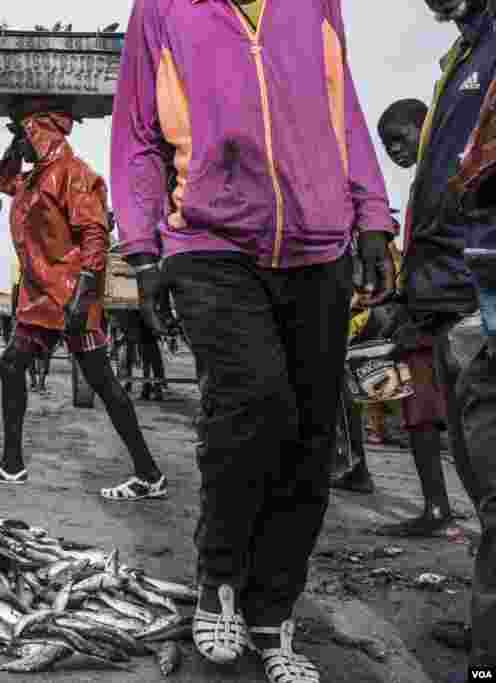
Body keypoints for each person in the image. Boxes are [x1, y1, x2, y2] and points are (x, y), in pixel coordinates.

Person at [111, 1, 394, 680]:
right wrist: (143, 249)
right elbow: (136, 133)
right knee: (252, 402)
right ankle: (220, 578)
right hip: (210, 239)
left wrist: (373, 214)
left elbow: (343, 107)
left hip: (319, 245)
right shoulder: (164, 9)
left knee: (310, 434)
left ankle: (273, 611)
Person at [0, 97, 167, 502]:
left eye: (25, 133)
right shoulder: (36, 178)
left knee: (101, 379)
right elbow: (6, 183)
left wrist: (83, 296)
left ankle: (149, 472)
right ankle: (12, 462)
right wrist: (11, 152)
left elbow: (94, 235)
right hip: (40, 300)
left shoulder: (75, 175)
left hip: (71, 299)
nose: (22, 141)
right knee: (12, 366)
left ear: (42, 132)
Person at [400, 0, 496, 668]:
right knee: (481, 480)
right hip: (447, 290)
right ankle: (487, 626)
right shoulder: (461, 55)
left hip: (477, 287)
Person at [364, 98, 456, 535]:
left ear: (425, 125)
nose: (394, 150)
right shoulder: (425, 181)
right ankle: (436, 506)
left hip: (438, 315)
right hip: (422, 311)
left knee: (435, 417)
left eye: (400, 138)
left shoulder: (443, 176)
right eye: (387, 146)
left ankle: (438, 509)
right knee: (420, 416)